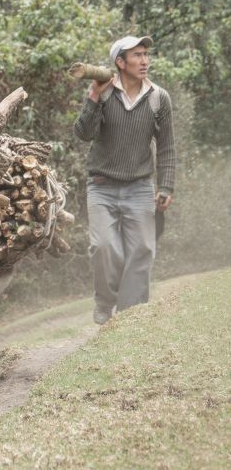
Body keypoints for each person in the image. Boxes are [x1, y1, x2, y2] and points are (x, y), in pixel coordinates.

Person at [73, 35, 176, 324]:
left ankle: (130, 317)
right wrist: (94, 97)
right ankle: (105, 301)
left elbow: (167, 146)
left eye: (146, 55)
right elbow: (83, 133)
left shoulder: (158, 98)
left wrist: (166, 186)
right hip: (102, 187)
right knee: (104, 247)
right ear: (120, 62)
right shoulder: (105, 94)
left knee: (142, 250)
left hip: (140, 187)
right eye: (137, 55)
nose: (144, 61)